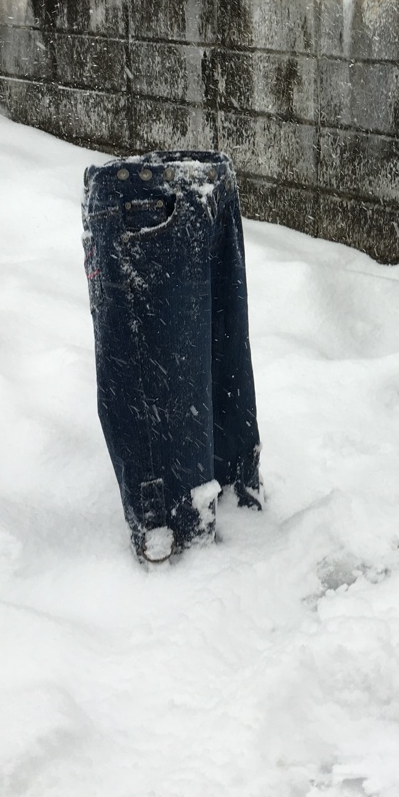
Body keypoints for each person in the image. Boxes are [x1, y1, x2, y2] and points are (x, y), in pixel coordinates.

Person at [82, 150, 262, 562]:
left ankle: (183, 540)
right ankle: (200, 533)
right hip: (198, 192)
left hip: (169, 204)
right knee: (207, 398)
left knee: (182, 507)